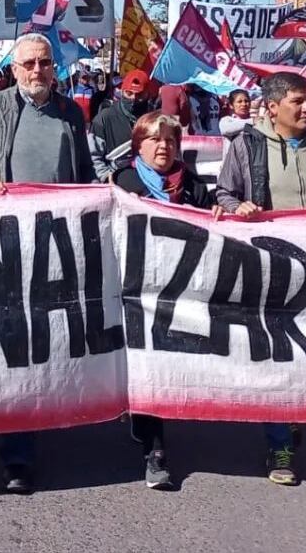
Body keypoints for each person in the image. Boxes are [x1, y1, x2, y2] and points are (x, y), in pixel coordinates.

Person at [0, 32, 96, 495]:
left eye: (45, 63)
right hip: (8, 242)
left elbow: (85, 175)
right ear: (14, 70)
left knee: (50, 336)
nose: (38, 71)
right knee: (17, 341)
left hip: (58, 242)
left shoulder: (72, 113)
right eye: (29, 64)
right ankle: (17, 455)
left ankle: (44, 416)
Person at [212, 71, 306, 487]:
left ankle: (293, 414)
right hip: (269, 272)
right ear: (273, 107)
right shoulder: (245, 146)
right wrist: (238, 205)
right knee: (275, 358)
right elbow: (223, 193)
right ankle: (279, 443)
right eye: (298, 101)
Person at [110, 111, 215, 491]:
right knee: (146, 363)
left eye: (170, 140)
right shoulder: (123, 182)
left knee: (165, 364)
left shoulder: (192, 184)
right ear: (139, 144)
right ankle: (155, 450)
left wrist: (220, 212)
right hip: (136, 289)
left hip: (180, 291)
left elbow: (211, 219)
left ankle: (149, 422)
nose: (164, 146)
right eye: (155, 139)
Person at [90, 70, 150, 181]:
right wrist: (107, 180)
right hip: (113, 182)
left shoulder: (154, 120)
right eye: (129, 93)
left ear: (147, 94)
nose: (133, 98)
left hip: (149, 183)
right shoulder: (104, 118)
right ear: (122, 92)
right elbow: (93, 157)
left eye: (140, 95)